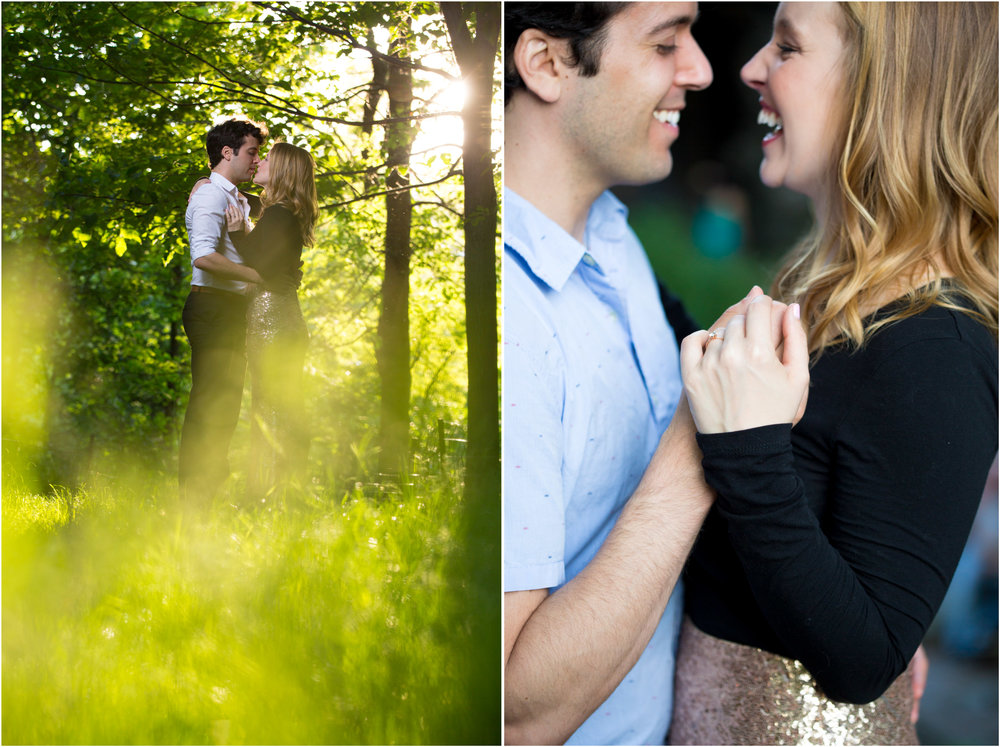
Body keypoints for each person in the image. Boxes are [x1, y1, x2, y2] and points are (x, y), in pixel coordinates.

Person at [671, 3, 998, 744]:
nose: (752, 66)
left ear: (884, 93)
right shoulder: (835, 302)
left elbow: (863, 659)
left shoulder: (937, 343)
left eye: (787, 48)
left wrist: (747, 448)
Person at [503, 4, 724, 744]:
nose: (699, 70)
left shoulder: (608, 231)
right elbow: (511, 712)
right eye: (666, 42)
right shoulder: (503, 319)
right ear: (548, 64)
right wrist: (706, 437)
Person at [178, 117, 268, 499]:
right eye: (251, 152)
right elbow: (202, 257)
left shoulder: (236, 198)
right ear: (227, 152)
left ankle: (208, 493)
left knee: (226, 405)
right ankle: (194, 494)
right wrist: (255, 275)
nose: (256, 160)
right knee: (211, 403)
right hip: (213, 309)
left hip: (228, 312)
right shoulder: (211, 195)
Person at [223, 142, 318, 498]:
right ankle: (279, 492)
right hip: (282, 318)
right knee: (280, 404)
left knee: (271, 407)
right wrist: (208, 182)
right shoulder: (281, 212)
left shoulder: (278, 214)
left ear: (282, 171)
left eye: (267, 159)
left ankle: (268, 496)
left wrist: (236, 232)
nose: (258, 161)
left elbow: (259, 265)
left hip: (273, 320)